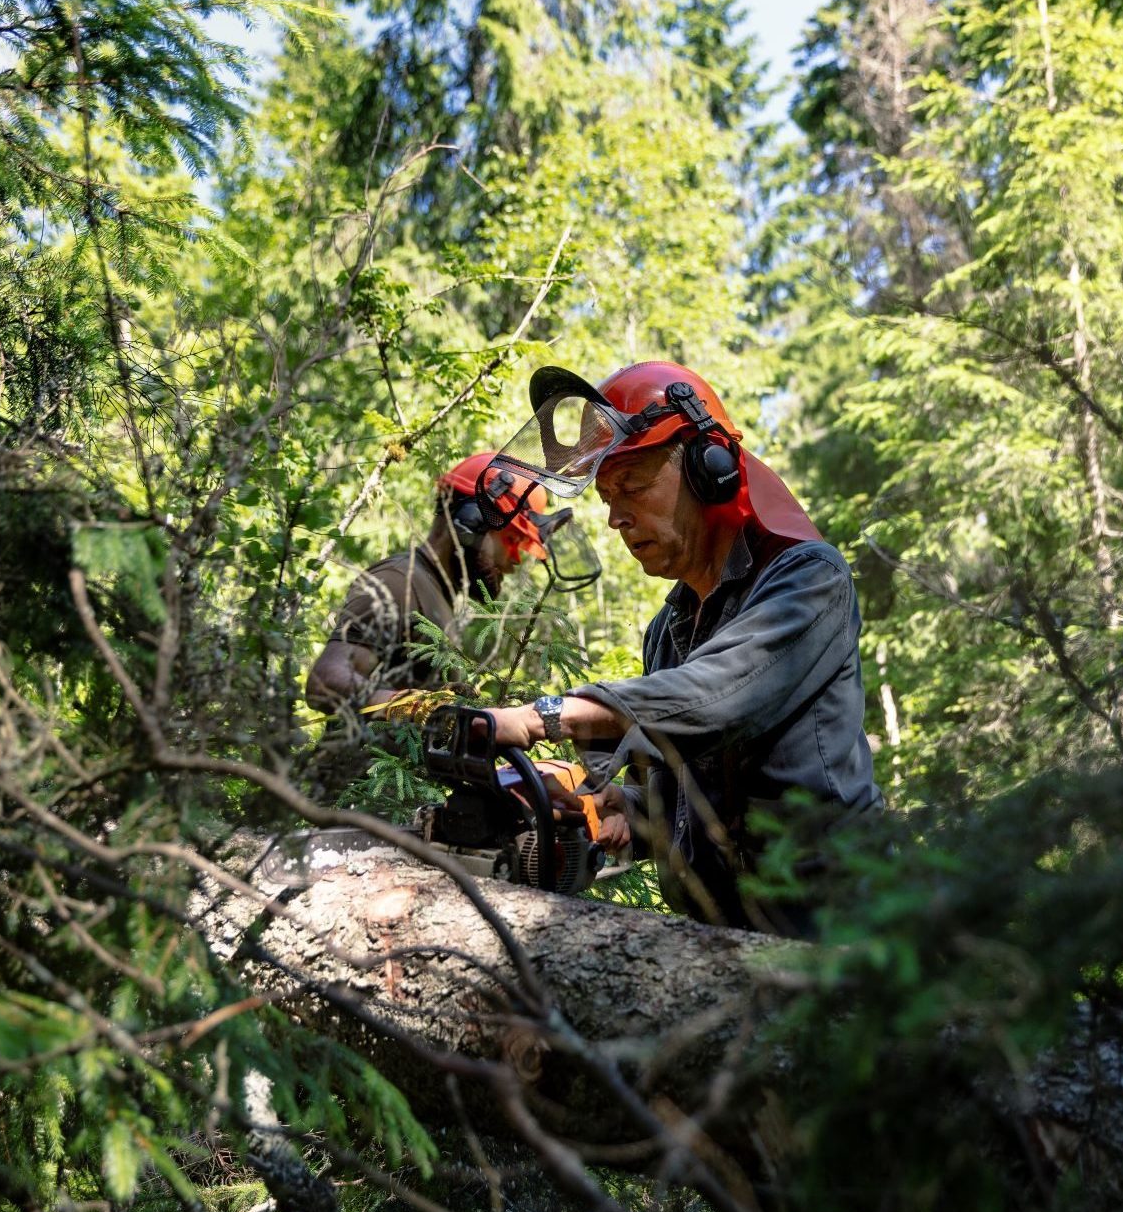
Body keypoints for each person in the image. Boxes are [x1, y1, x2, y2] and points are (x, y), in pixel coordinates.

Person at [477, 361, 881, 935]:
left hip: (836, 933)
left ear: (707, 468)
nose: (616, 517)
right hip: (721, 941)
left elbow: (714, 696)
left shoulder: (808, 579)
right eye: (607, 496)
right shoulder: (668, 632)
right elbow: (688, 797)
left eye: (633, 487)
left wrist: (548, 715)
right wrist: (626, 809)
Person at [308, 450, 593, 711]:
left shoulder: (436, 592)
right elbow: (325, 683)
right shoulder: (398, 582)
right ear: (473, 520)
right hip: (354, 768)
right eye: (512, 541)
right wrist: (423, 707)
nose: (513, 562)